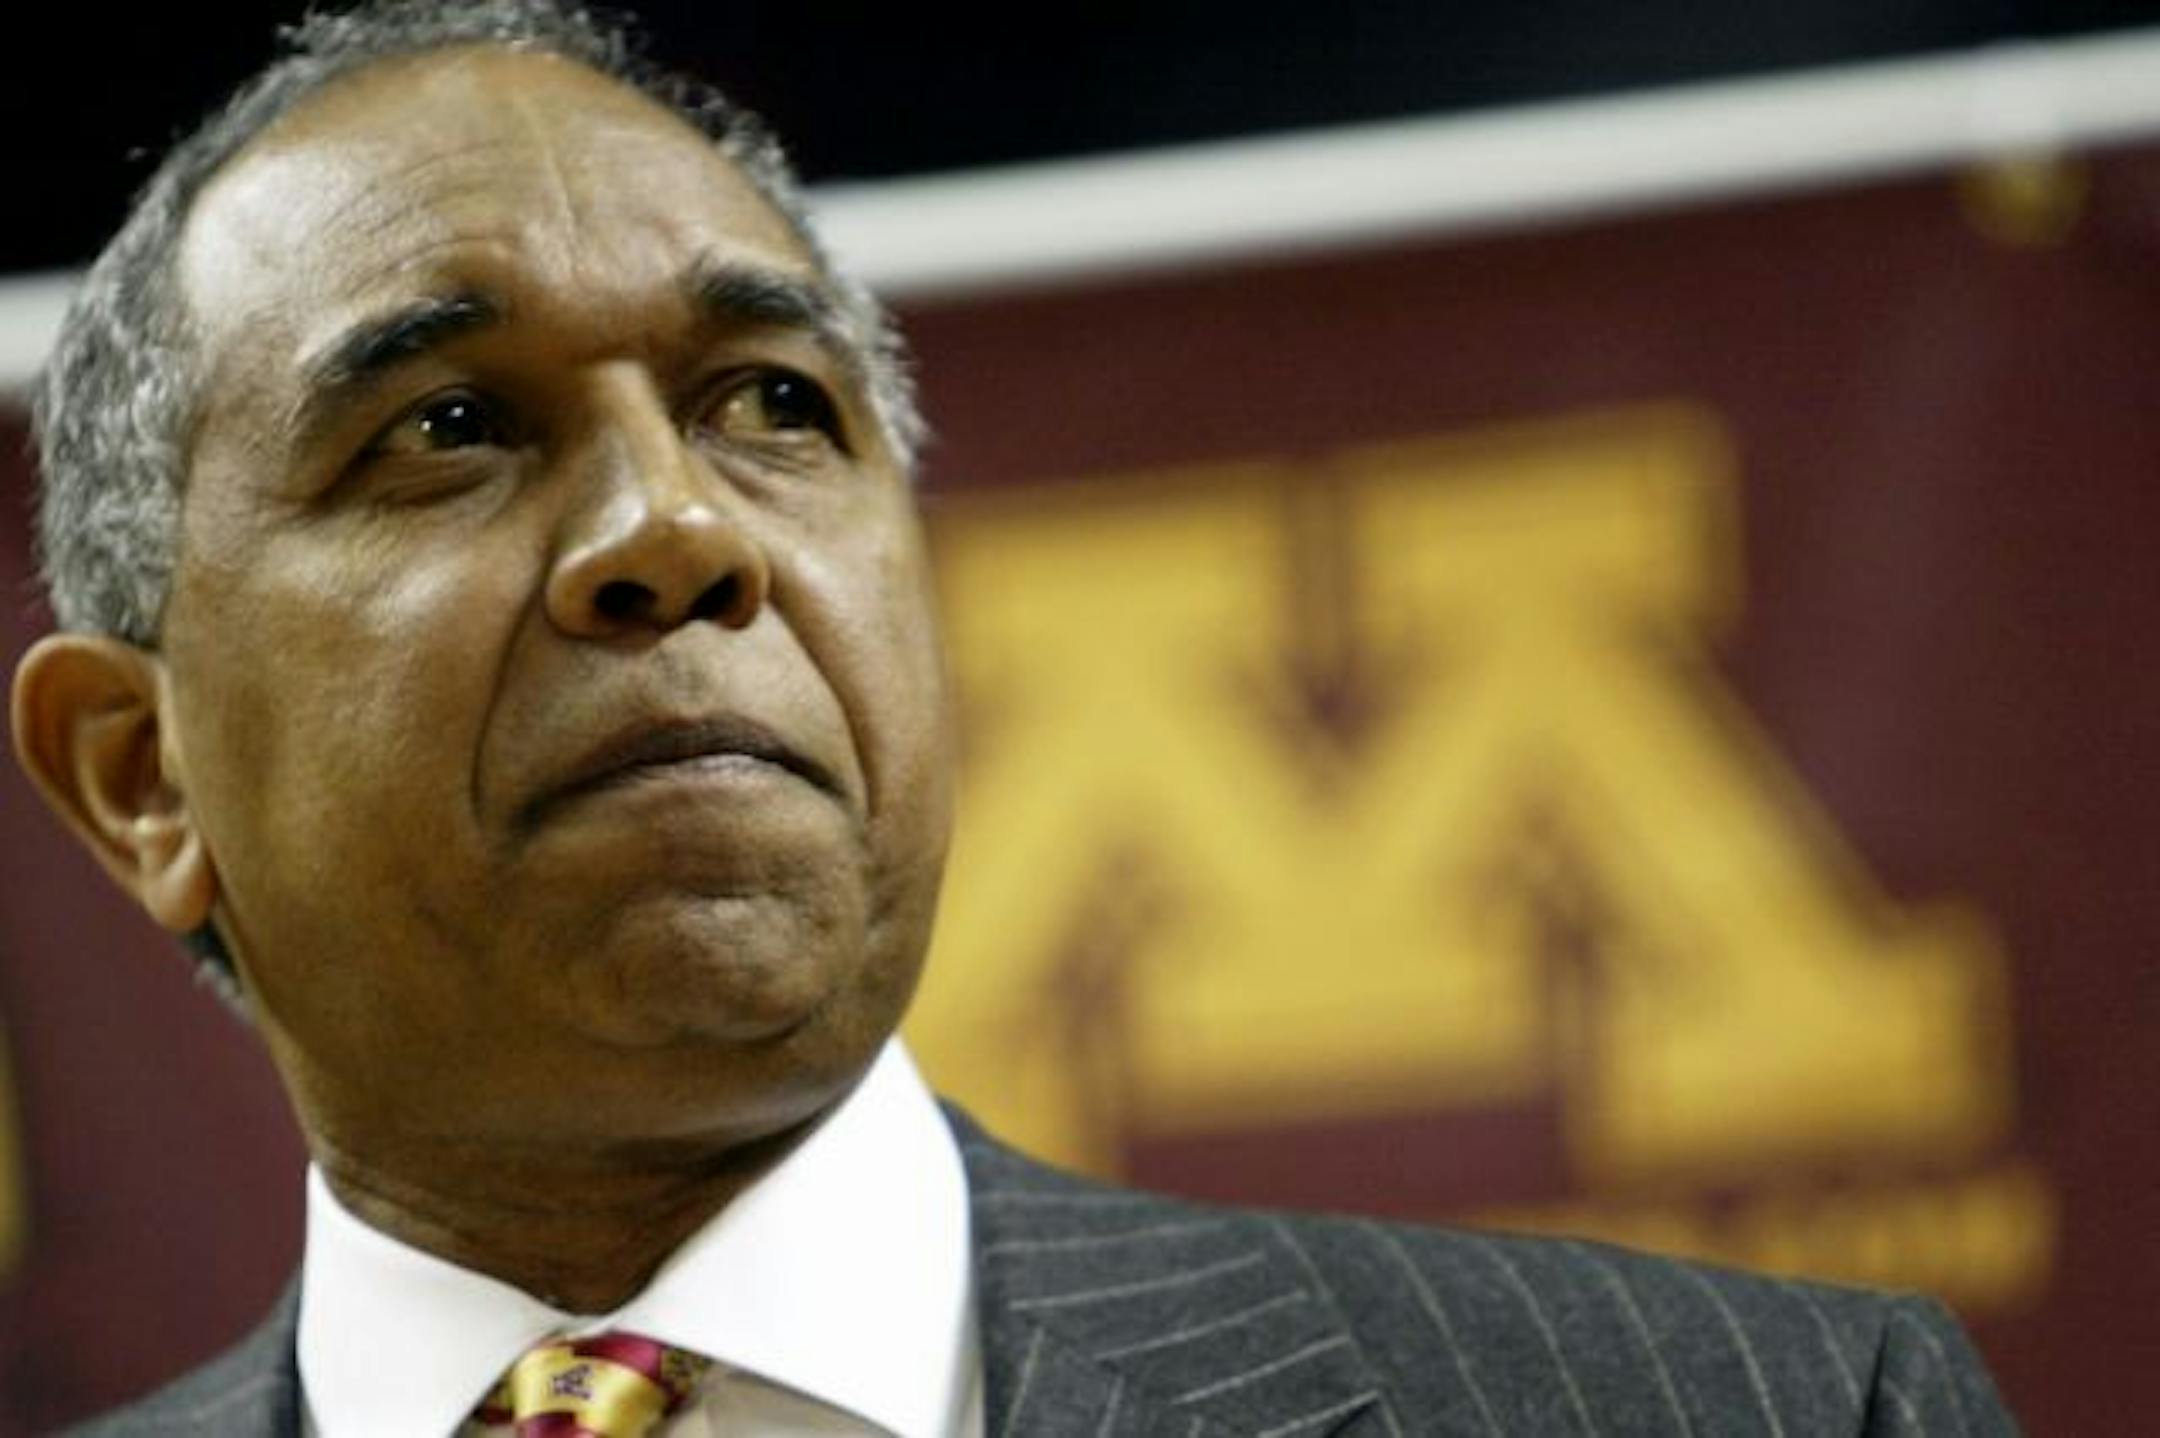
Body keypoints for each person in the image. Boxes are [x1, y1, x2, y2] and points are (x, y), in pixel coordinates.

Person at [10, 2, 2018, 1434]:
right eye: (451, 426)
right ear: (143, 770)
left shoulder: (1760, 1411)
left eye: (773, 405)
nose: (679, 529)